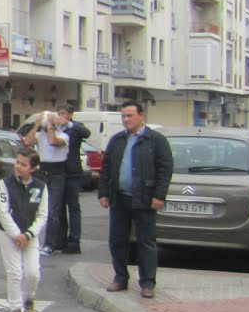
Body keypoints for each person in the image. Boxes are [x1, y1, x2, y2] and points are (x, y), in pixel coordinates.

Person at [97, 101, 172, 299]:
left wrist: (159, 196)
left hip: (145, 199)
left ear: (141, 116)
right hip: (119, 198)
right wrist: (103, 193)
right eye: (123, 116)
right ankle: (120, 278)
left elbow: (165, 170)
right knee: (117, 241)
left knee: (146, 243)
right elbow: (106, 168)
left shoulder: (155, 140)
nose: (125, 119)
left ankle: (147, 283)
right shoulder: (117, 140)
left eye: (129, 115)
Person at [0, 149, 48, 312]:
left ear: (32, 169)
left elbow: (42, 214)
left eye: (23, 164)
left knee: (33, 273)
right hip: (9, 235)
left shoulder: (41, 187)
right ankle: (16, 310)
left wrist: (28, 235)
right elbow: (2, 211)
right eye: (17, 162)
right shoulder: (5, 184)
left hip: (30, 236)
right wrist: (16, 234)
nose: (18, 166)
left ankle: (29, 299)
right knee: (15, 273)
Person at [30, 109, 70, 255]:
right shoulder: (40, 135)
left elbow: (53, 142)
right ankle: (34, 240)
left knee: (52, 211)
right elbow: (27, 142)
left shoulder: (64, 136)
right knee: (36, 208)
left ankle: (50, 244)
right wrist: (36, 125)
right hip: (42, 173)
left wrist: (49, 125)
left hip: (57, 175)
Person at [53, 103, 90, 255]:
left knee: (73, 207)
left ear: (70, 115)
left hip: (72, 172)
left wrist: (68, 124)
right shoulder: (55, 128)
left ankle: (74, 241)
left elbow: (86, 133)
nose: (60, 116)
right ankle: (60, 240)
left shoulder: (76, 127)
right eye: (59, 113)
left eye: (63, 113)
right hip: (57, 171)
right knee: (59, 207)